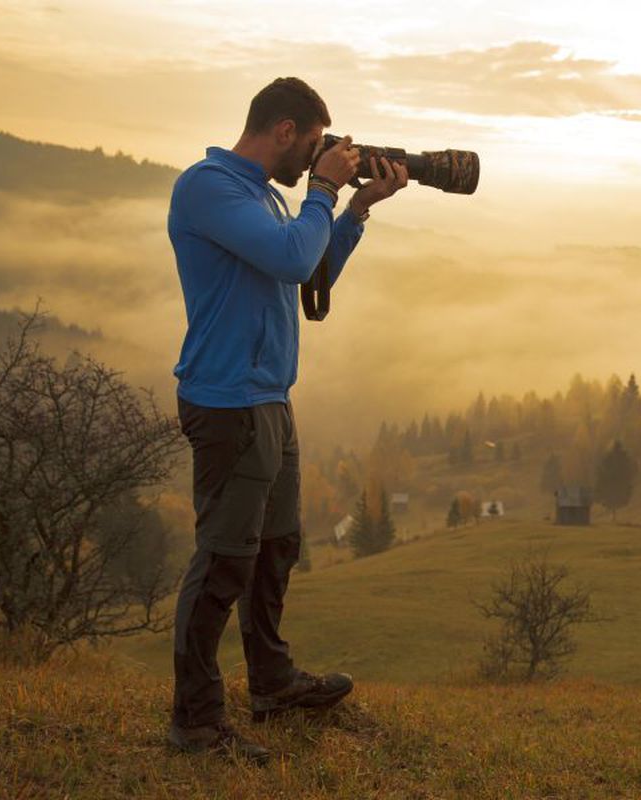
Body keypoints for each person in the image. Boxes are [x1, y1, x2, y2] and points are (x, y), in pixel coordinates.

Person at [165, 77, 408, 764]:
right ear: (281, 129)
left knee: (275, 549)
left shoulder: (265, 197)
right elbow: (292, 253)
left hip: (268, 398)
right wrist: (324, 192)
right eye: (310, 145)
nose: (314, 158)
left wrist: (355, 209)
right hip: (229, 402)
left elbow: (308, 270)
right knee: (222, 562)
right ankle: (196, 723)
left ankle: (271, 684)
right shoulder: (209, 187)